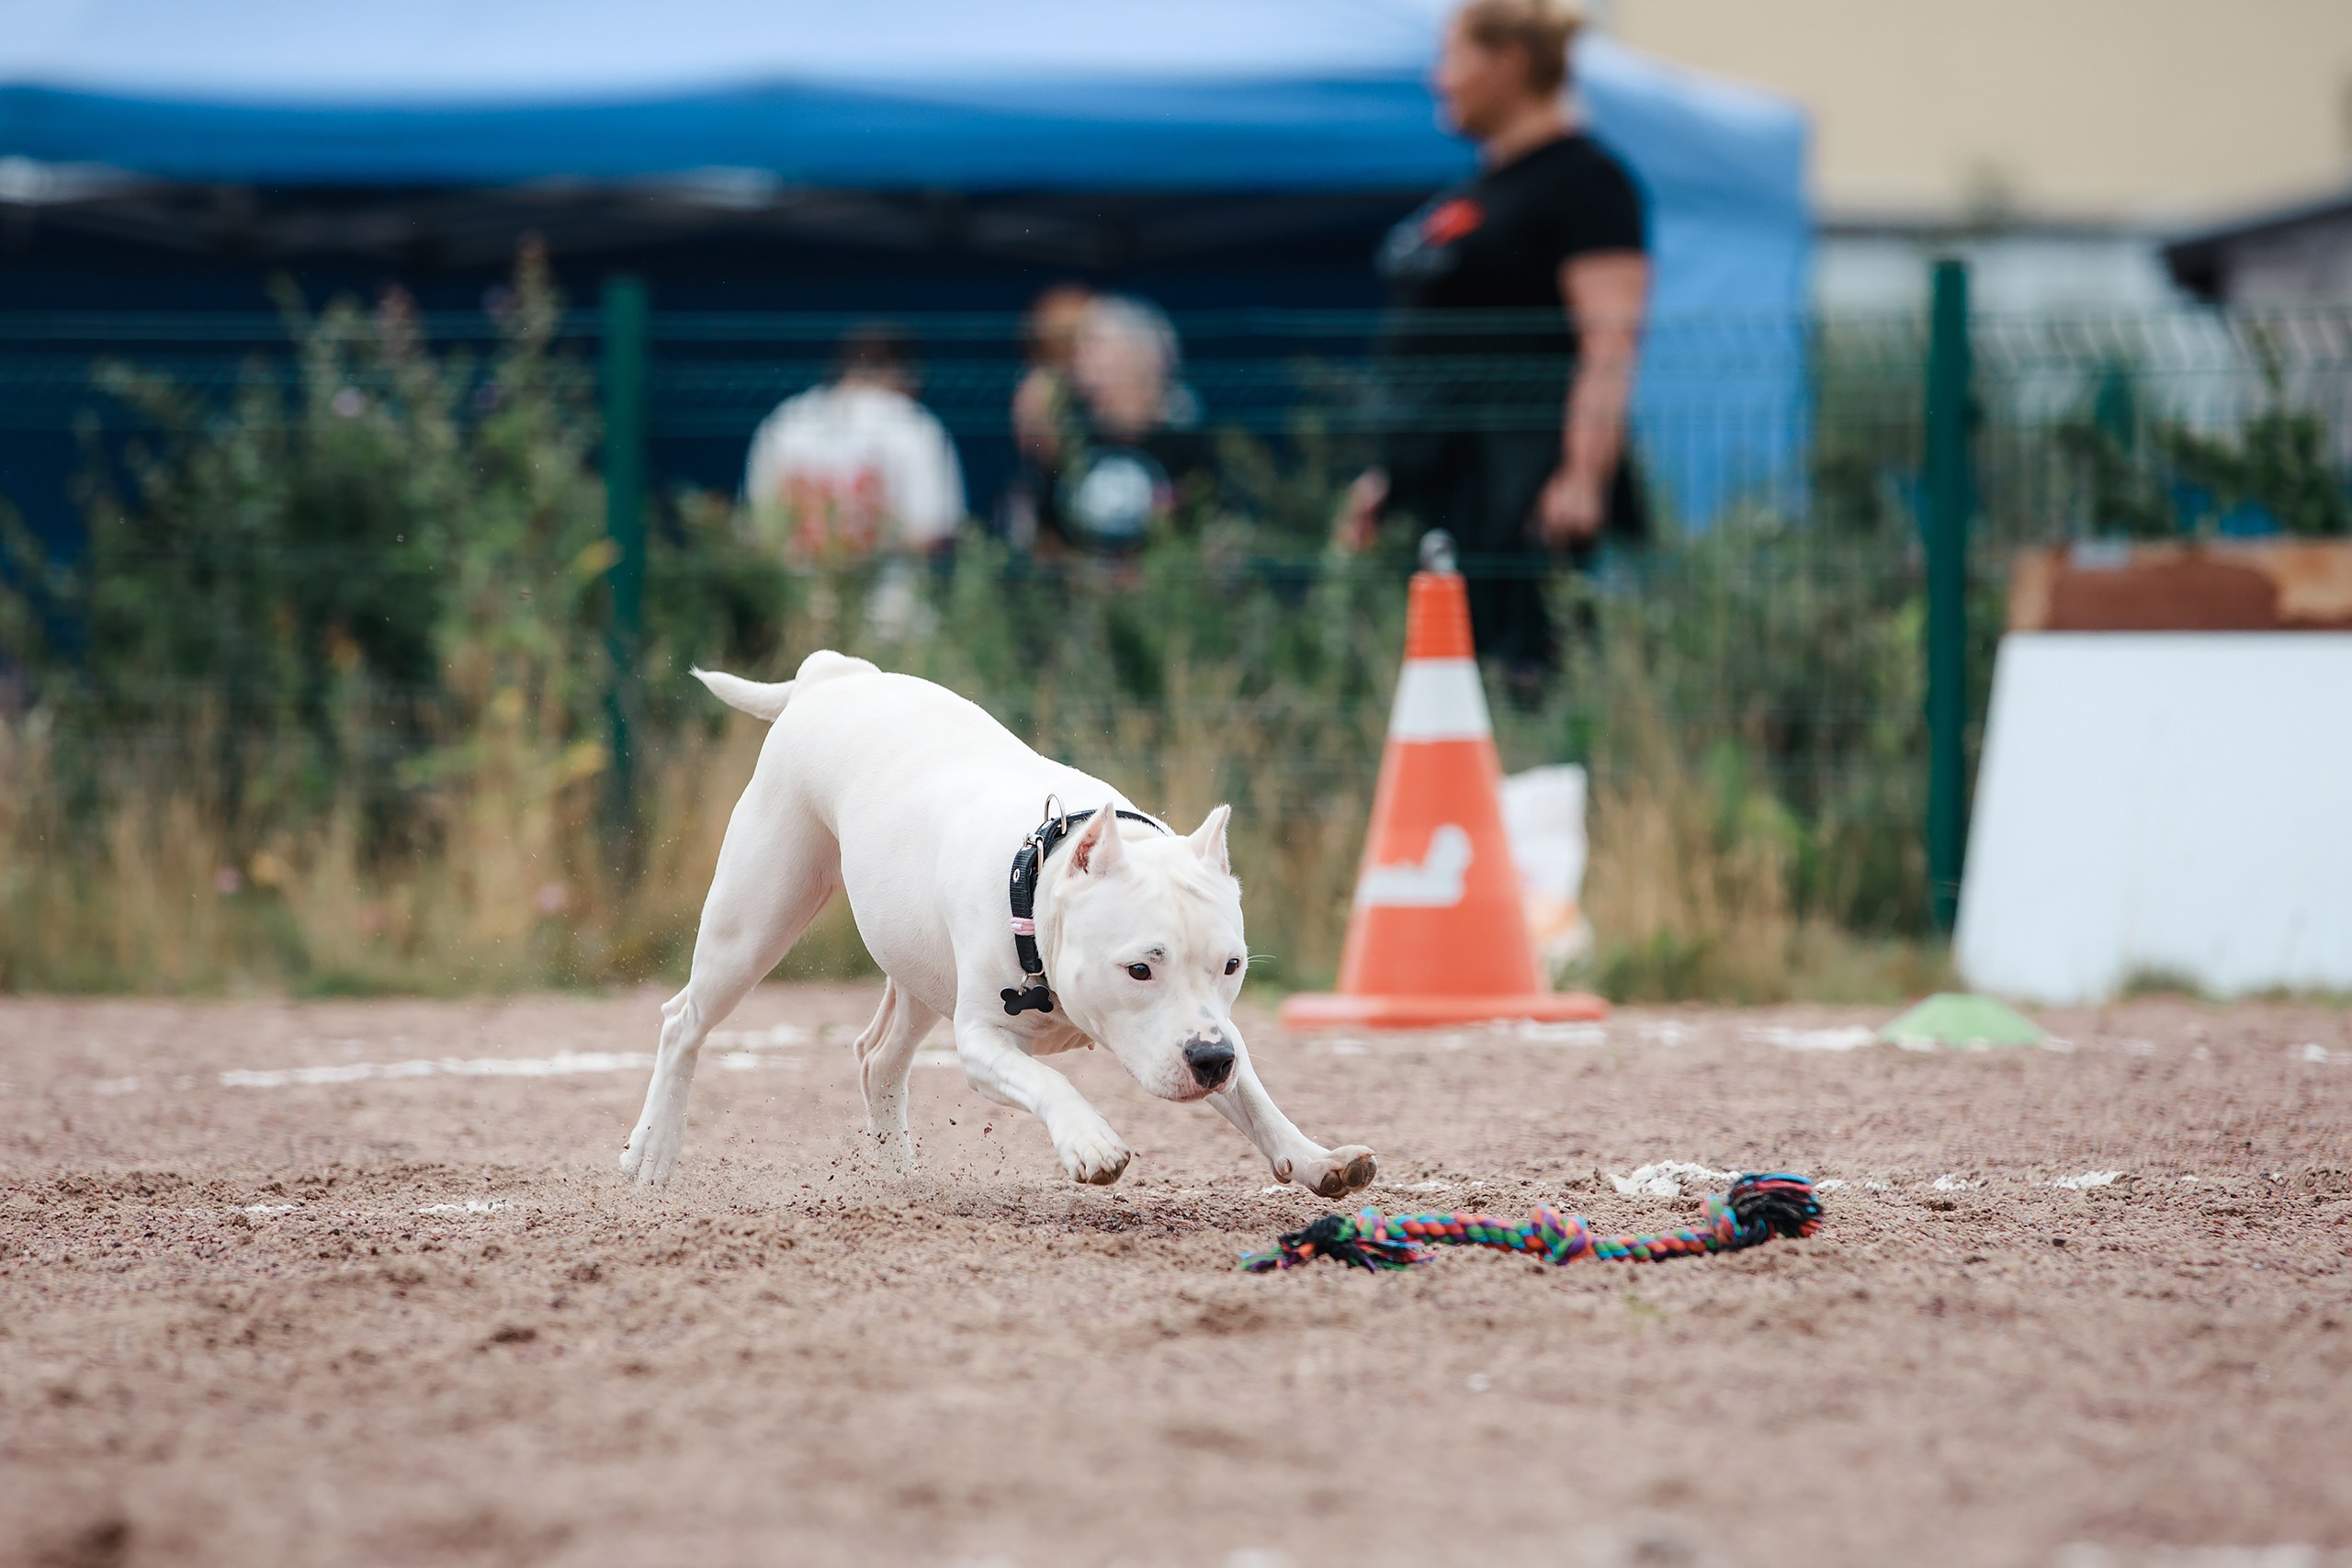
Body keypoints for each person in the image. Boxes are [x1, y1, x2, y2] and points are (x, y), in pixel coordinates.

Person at [1338, 0, 1650, 694]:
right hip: (1444, 483)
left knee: (1524, 680)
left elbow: (1611, 341)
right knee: (1438, 685)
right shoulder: (1479, 190)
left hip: (1523, 483)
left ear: (1509, 62)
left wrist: (1582, 476)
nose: (1436, 79)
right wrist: (1391, 474)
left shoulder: (1587, 182)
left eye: (1452, 57)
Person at [1004, 289, 1206, 555]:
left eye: (1095, 346)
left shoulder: (1188, 449)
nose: (1081, 363)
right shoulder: (1071, 445)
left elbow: (1212, 537)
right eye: (1080, 349)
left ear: (1144, 358)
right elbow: (1043, 538)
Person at [743, 324, 966, 564]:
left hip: (795, 595)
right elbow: (934, 532)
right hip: (888, 598)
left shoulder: (785, 422)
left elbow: (757, 532)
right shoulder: (914, 426)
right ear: (902, 372)